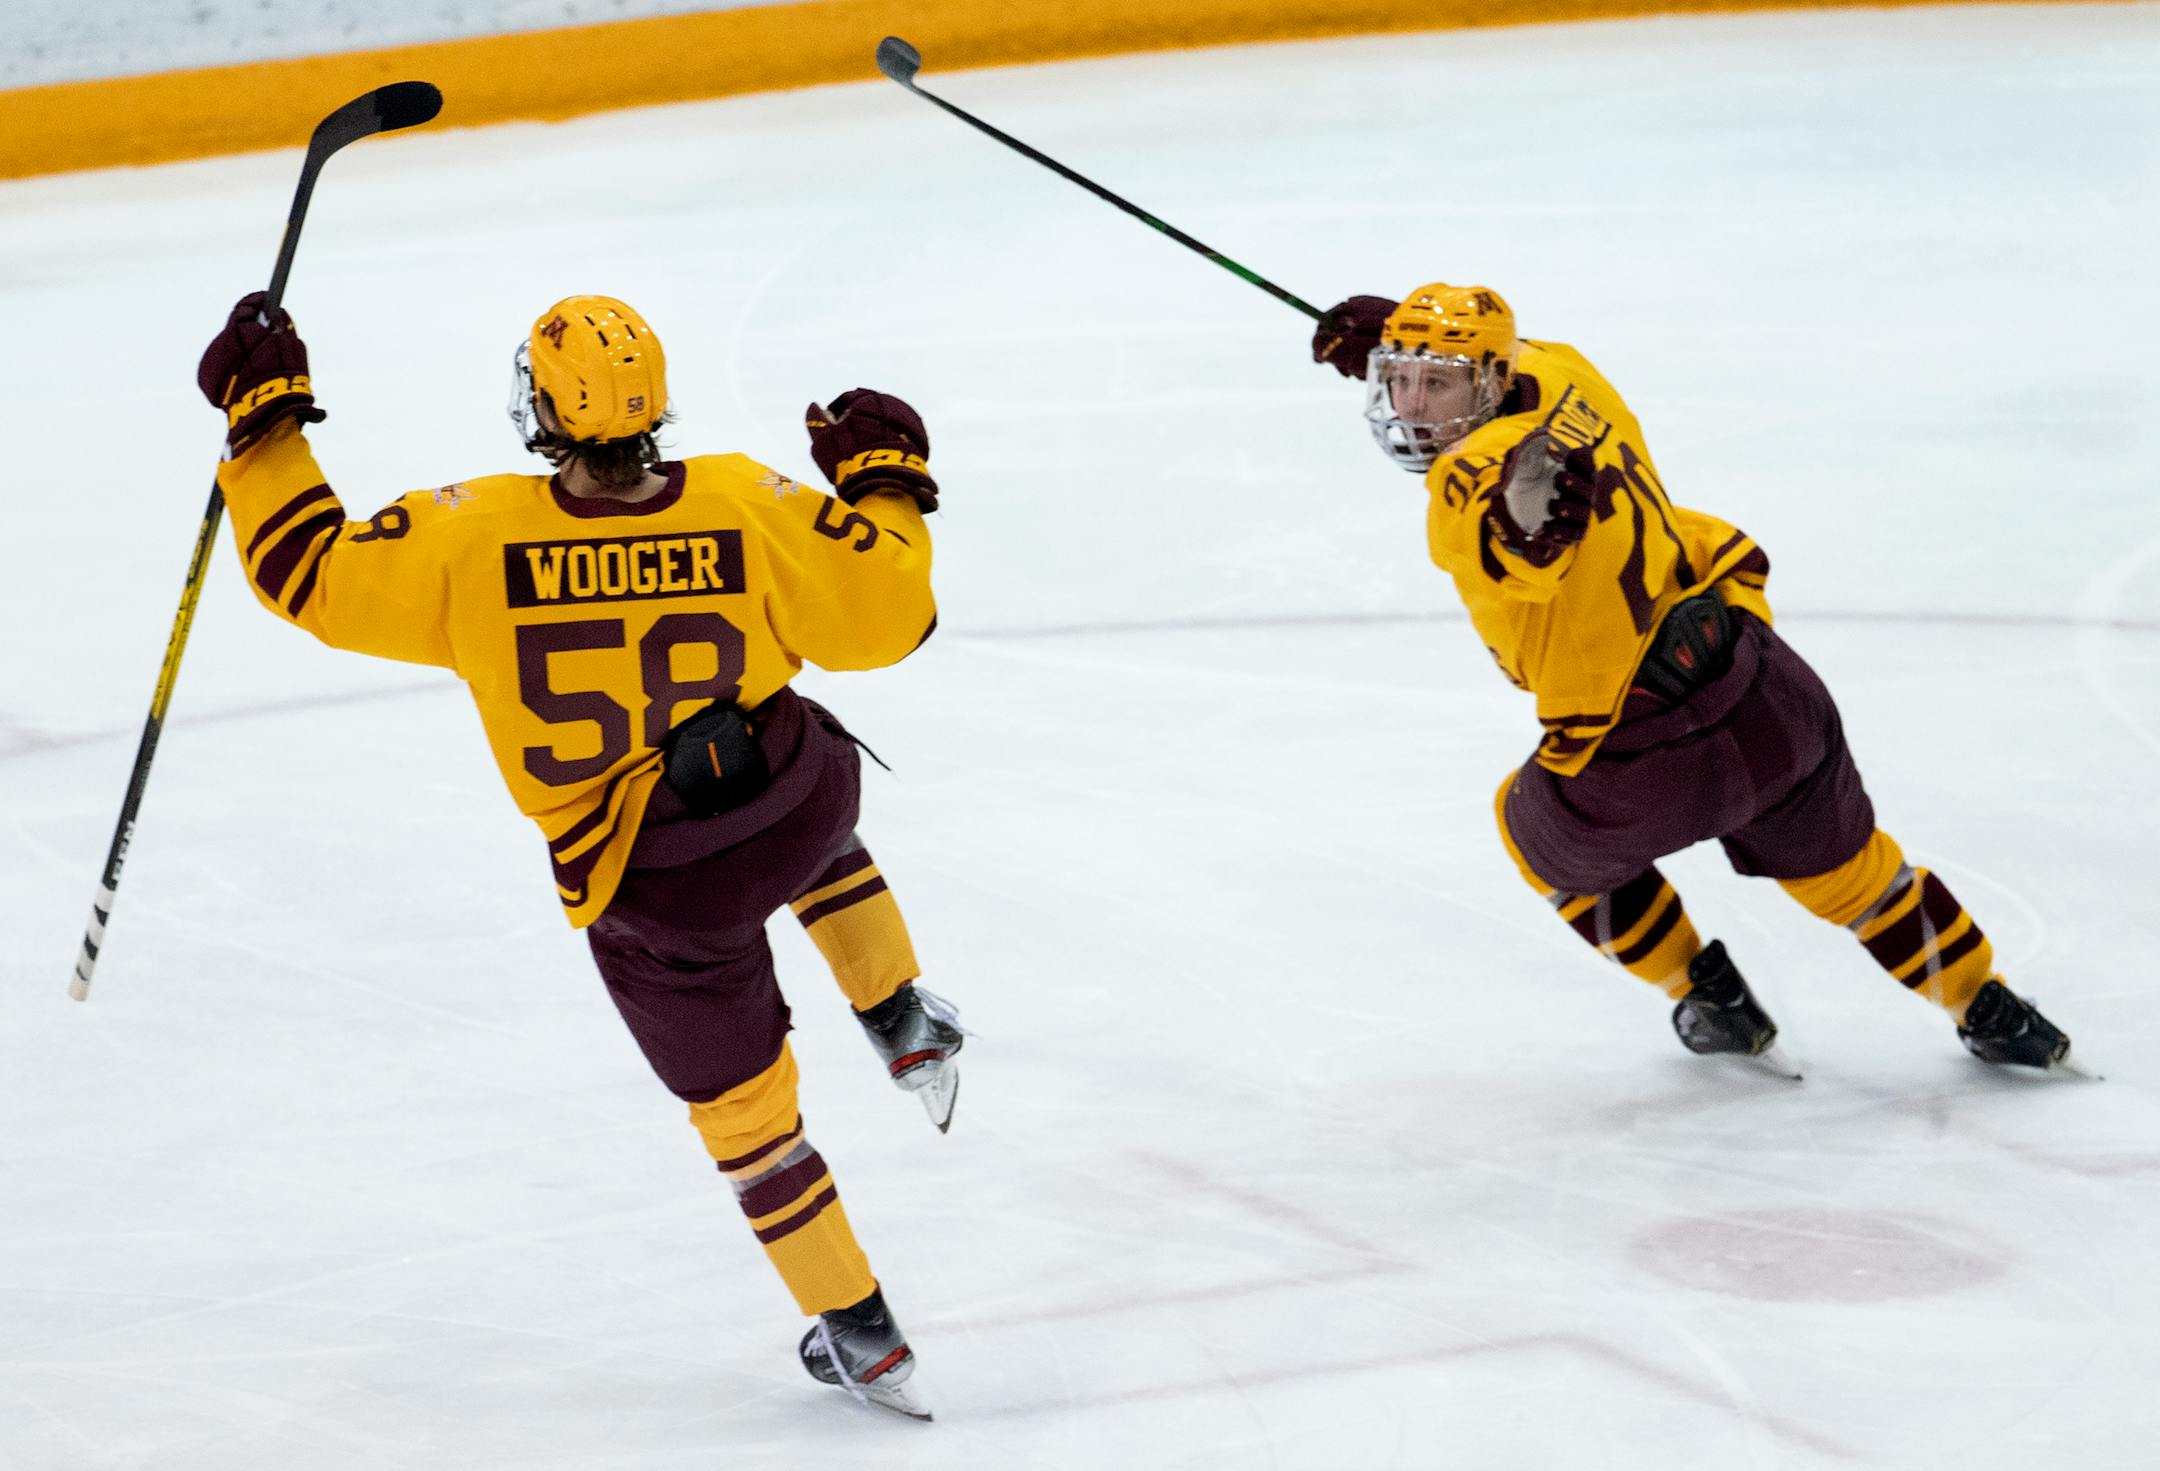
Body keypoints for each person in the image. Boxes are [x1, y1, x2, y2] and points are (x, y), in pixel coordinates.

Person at [198, 290, 966, 1418]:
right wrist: (884, 489)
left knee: (751, 1123)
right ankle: (898, 1012)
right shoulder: (744, 500)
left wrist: (266, 427)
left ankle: (864, 1334)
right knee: (791, 756)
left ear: (542, 410)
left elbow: (306, 571)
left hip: (660, 886)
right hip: (785, 807)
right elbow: (890, 614)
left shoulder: (470, 533)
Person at [1310, 283, 2076, 1073]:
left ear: (1492, 381)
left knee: (1531, 832)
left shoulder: (1463, 478)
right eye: (1400, 377)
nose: (1412, 404)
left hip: (1635, 756)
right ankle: (1991, 1006)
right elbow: (1511, 404)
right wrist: (1406, 342)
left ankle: (1706, 995)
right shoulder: (1568, 373)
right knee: (1855, 876)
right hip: (1763, 689)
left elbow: (1505, 526)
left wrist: (1527, 524)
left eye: (1437, 382)